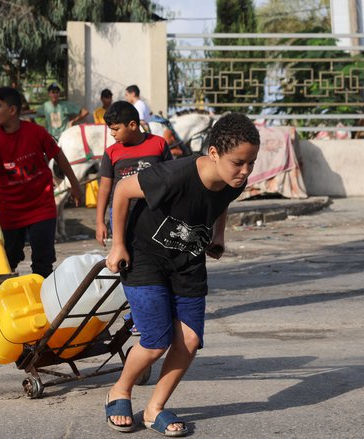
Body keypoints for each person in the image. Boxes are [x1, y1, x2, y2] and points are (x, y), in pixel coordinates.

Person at [103, 113, 260, 435]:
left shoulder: (233, 182)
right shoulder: (173, 175)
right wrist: (117, 245)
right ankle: (119, 390)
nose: (245, 172)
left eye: (251, 163)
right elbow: (121, 191)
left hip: (187, 261)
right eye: (238, 163)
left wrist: (219, 235)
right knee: (156, 342)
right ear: (214, 153)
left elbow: (222, 202)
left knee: (189, 341)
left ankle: (154, 408)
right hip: (146, 259)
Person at [0, 87, 83, 277]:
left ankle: (43, 301)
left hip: (42, 207)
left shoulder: (36, 132)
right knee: (8, 259)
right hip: (11, 209)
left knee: (43, 261)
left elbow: (59, 156)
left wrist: (75, 185)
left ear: (13, 110)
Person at [96, 100, 173, 337]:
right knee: (129, 269)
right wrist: (100, 221)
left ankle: (157, 311)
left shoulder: (159, 145)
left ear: (133, 125)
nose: (113, 134)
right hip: (125, 224)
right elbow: (105, 188)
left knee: (160, 268)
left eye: (116, 129)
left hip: (157, 220)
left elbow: (173, 179)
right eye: (110, 129)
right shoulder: (112, 152)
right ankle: (137, 316)